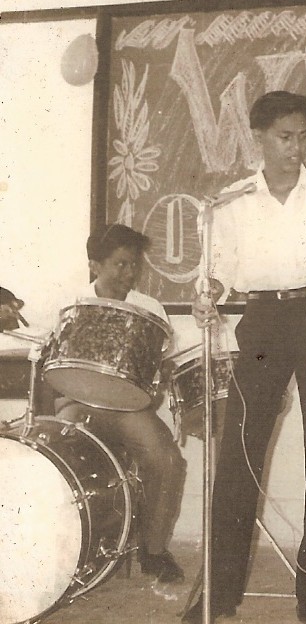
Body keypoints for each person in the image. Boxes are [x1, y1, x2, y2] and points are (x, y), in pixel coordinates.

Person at [188, 91, 306, 624]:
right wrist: (206, 295)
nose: (296, 147)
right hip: (262, 320)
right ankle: (218, 594)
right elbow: (217, 269)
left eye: (304, 136)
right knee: (238, 454)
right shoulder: (229, 202)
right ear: (258, 137)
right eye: (285, 137)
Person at [46, 224, 186, 584]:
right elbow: (51, 361)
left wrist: (160, 377)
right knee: (56, 457)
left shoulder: (149, 308)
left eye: (134, 264)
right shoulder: (71, 303)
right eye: (120, 264)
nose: (129, 273)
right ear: (95, 265)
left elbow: (159, 366)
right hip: (78, 401)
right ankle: (64, 550)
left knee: (168, 460)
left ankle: (153, 550)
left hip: (127, 408)